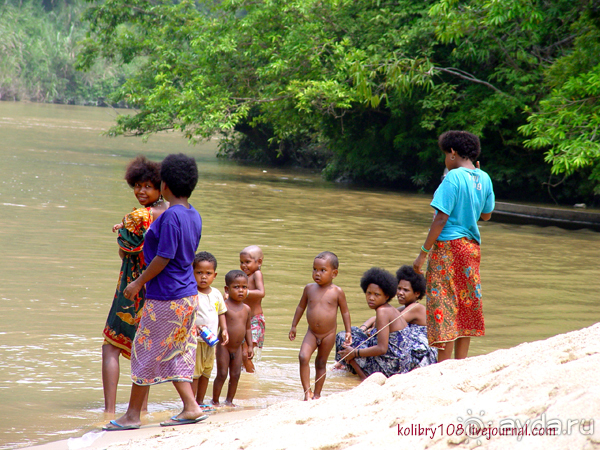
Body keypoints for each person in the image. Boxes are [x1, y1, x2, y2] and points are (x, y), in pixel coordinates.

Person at [103, 153, 204, 430]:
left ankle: (133, 415)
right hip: (188, 295)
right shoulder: (193, 214)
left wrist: (137, 284)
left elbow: (164, 256)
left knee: (144, 351)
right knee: (176, 351)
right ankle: (191, 407)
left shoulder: (171, 216)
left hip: (167, 296)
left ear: (165, 185)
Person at [413, 130, 495, 361]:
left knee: (444, 303)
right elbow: (486, 215)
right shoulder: (484, 177)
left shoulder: (452, 178)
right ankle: (461, 362)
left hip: (448, 248)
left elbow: (440, 218)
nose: (444, 159)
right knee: (465, 301)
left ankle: (443, 364)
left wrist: (423, 254)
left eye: (444, 154)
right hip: (471, 249)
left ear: (452, 152)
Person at [102, 155, 167, 414]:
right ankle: (141, 409)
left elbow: (124, 252)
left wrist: (123, 228)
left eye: (147, 186)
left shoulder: (137, 217)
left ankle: (108, 411)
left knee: (111, 347)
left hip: (131, 288)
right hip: (157, 289)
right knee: (144, 350)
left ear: (158, 187)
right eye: (137, 186)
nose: (141, 191)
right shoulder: (171, 212)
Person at [335, 266, 437, 373]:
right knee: (354, 333)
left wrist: (355, 352)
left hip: (417, 355)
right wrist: (362, 329)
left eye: (405, 290)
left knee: (343, 337)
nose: (400, 293)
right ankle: (345, 361)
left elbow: (382, 338)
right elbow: (375, 319)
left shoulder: (415, 307)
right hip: (401, 356)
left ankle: (361, 374)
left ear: (417, 293)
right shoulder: (393, 309)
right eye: (399, 288)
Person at [289, 251, 351, 400]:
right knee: (303, 356)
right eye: (314, 269)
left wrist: (348, 331)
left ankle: (317, 394)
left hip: (328, 334)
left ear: (334, 273)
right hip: (312, 332)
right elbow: (300, 307)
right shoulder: (309, 289)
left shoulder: (337, 292)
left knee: (321, 363)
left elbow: (345, 312)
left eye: (323, 270)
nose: (317, 273)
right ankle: (306, 392)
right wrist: (294, 325)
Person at [191, 252, 229, 409]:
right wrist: (194, 327)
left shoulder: (216, 294)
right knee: (195, 374)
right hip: (195, 341)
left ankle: (200, 401)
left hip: (211, 341)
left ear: (215, 275)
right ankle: (191, 403)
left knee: (206, 372)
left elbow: (221, 313)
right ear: (192, 273)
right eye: (199, 273)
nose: (203, 277)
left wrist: (224, 329)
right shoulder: (191, 292)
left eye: (208, 273)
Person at [211, 270, 253, 406]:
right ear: (226, 289)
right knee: (222, 374)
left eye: (244, 287)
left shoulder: (246, 308)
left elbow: (247, 328)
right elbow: (216, 325)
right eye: (236, 287)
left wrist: (250, 345)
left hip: (238, 348)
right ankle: (215, 401)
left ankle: (229, 401)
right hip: (224, 346)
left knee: (235, 376)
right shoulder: (224, 306)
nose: (241, 291)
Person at [239, 245, 265, 373]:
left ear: (259, 262)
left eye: (247, 262)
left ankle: (250, 381)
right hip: (242, 321)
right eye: (241, 262)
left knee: (245, 354)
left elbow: (261, 292)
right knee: (240, 355)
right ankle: (244, 379)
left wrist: (245, 292)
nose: (244, 265)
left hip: (255, 320)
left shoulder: (257, 274)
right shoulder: (242, 277)